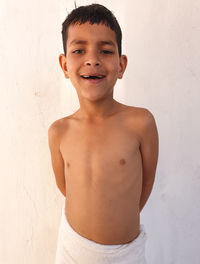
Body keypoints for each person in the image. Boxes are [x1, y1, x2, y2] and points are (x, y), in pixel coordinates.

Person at [48, 3, 159, 264]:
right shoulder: (59, 131)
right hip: (73, 249)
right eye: (79, 50)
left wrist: (120, 220)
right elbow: (66, 187)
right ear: (64, 65)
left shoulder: (140, 122)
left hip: (126, 254)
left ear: (121, 65)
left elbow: (145, 185)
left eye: (106, 50)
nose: (92, 59)